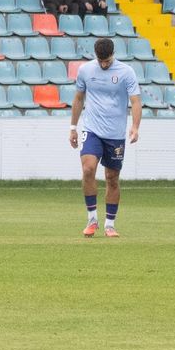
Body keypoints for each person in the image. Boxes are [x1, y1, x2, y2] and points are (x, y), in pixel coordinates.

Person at [68, 38, 143, 239]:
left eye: (107, 61)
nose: (103, 65)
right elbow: (78, 98)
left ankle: (110, 224)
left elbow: (136, 101)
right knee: (88, 168)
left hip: (116, 134)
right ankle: (92, 219)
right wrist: (73, 127)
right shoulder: (85, 70)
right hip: (92, 130)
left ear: (113, 55)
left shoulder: (126, 72)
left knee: (112, 177)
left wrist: (135, 127)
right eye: (100, 61)